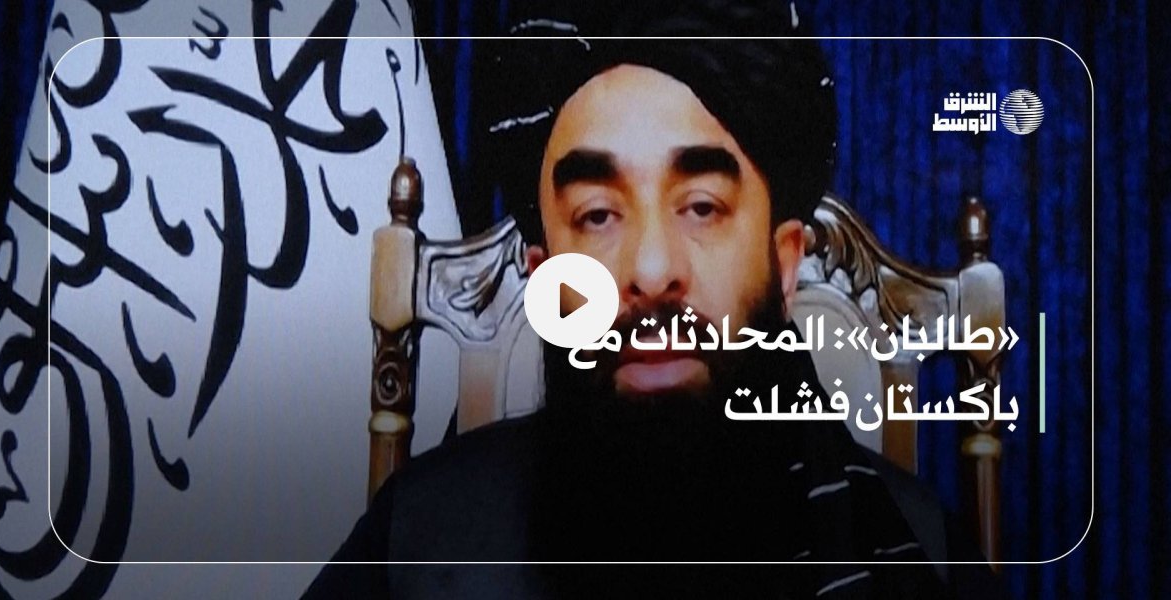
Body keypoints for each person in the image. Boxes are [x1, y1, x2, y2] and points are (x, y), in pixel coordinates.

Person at [306, 2, 1004, 598]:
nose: (649, 269)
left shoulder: (922, 554)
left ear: (785, 262)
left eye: (701, 207)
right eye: (597, 215)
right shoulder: (414, 544)